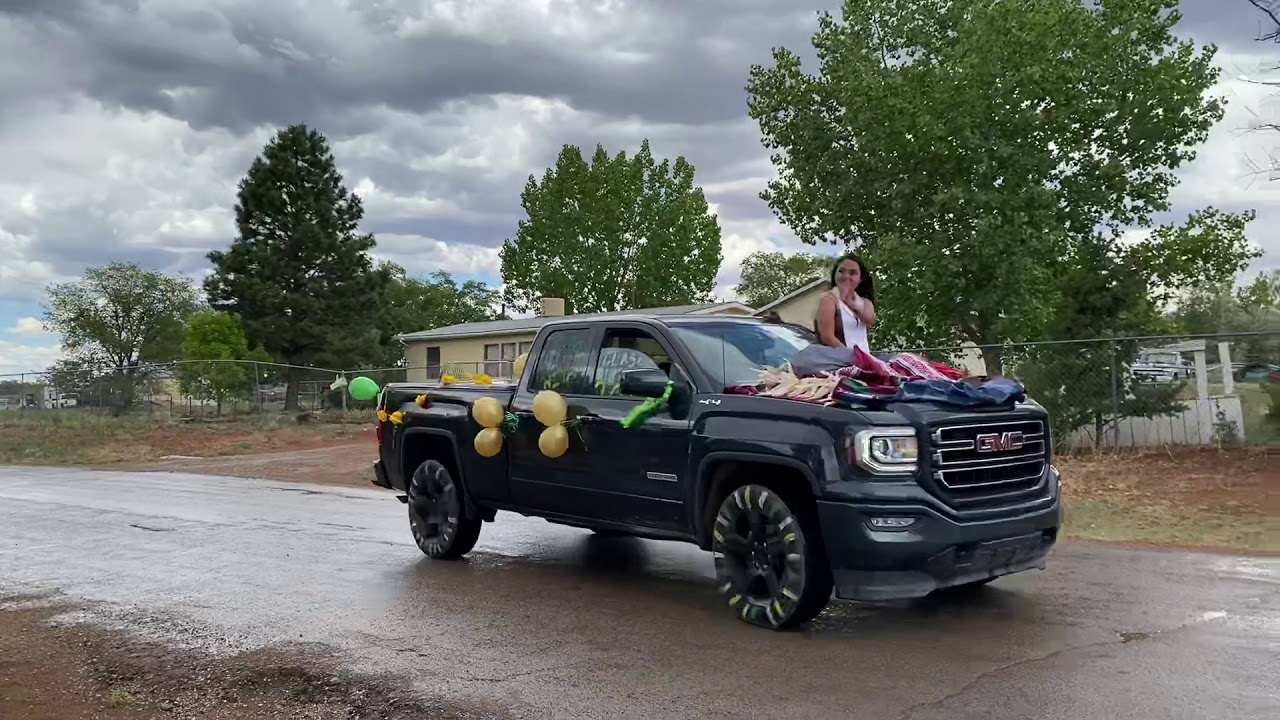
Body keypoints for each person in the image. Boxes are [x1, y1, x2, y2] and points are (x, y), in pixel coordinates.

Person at [815, 253, 875, 352]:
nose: (846, 276)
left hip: (864, 359)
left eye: (853, 273)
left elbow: (870, 320)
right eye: (841, 271)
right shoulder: (828, 300)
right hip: (840, 360)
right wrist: (854, 356)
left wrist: (851, 304)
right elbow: (827, 338)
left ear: (860, 279)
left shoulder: (865, 302)